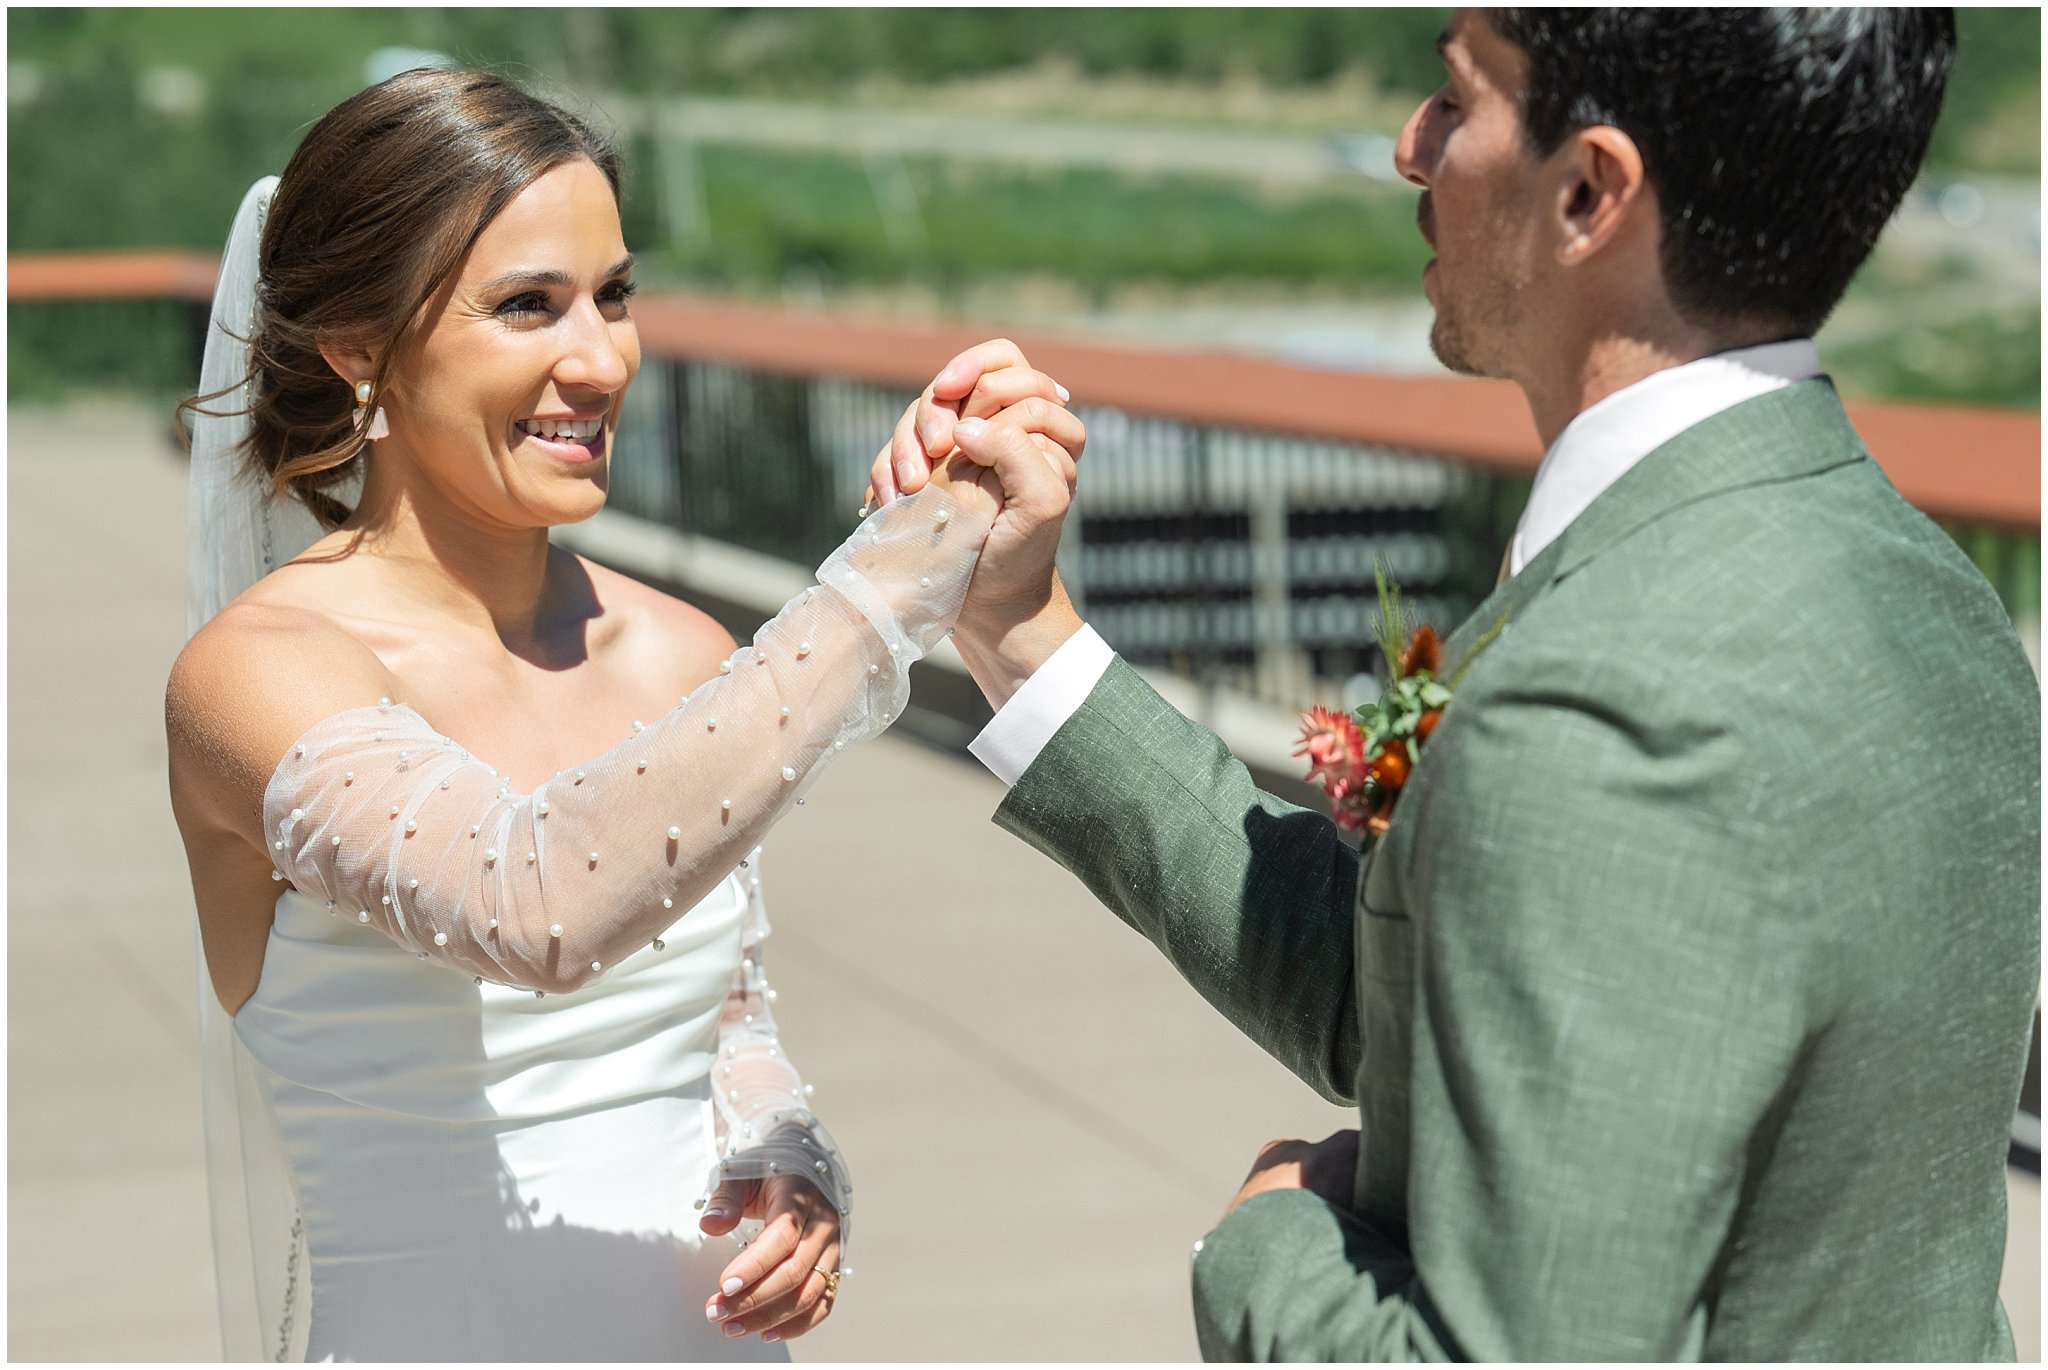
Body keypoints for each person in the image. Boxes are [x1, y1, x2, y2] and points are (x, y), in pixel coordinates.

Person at [877, 8, 2039, 1360]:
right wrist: (1018, 626)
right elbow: (1427, 1001)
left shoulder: (1601, 704)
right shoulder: (1940, 602)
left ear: (1589, 190)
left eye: (1453, 97)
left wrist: (1267, 1239)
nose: (1407, 147)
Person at [166, 70, 1080, 1361]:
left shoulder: (680, 648)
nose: (599, 359)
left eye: (615, 294)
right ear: (358, 345)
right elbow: (534, 904)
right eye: (527, 305)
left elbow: (725, 1012)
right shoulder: (258, 671)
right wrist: (898, 573)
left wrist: (782, 1152)